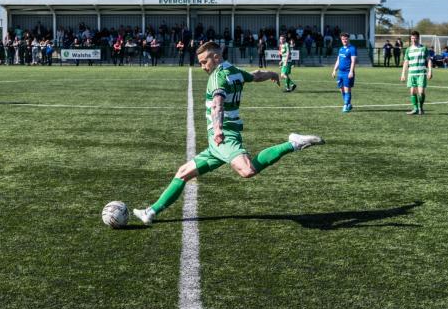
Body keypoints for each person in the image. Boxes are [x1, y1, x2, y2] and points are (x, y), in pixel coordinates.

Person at [132, 41, 323, 226]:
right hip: (219, 142)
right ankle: (151, 212)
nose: (202, 67)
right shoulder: (233, 70)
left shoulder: (217, 76)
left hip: (224, 136)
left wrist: (217, 130)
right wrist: (272, 73)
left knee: (247, 170)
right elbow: (255, 76)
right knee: (183, 173)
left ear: (216, 57)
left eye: (204, 62)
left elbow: (217, 104)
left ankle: (293, 143)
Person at [400, 31, 433, 115]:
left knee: (421, 92)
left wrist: (430, 71)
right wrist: (403, 74)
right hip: (411, 73)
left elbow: (429, 60)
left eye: (415, 38)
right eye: (412, 38)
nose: (413, 40)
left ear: (418, 38)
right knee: (412, 92)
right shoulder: (408, 49)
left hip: (421, 73)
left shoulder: (423, 48)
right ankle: (415, 109)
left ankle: (421, 108)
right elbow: (406, 62)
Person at [331, 33, 357, 112]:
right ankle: (348, 104)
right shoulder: (341, 49)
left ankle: (345, 105)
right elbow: (338, 60)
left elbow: (353, 61)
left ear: (348, 39)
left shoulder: (352, 49)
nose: (344, 40)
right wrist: (334, 70)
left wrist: (351, 72)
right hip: (340, 73)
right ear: (341, 40)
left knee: (347, 90)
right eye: (343, 39)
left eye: (346, 39)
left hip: (347, 73)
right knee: (341, 89)